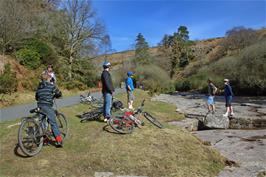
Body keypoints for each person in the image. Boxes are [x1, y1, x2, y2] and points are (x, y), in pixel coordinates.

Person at [35, 71, 63, 147]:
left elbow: (36, 98)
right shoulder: (51, 86)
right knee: (53, 123)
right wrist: (57, 95)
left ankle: (45, 140)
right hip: (47, 106)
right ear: (48, 79)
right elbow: (58, 93)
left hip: (39, 106)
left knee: (43, 123)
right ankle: (59, 141)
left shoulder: (39, 87)